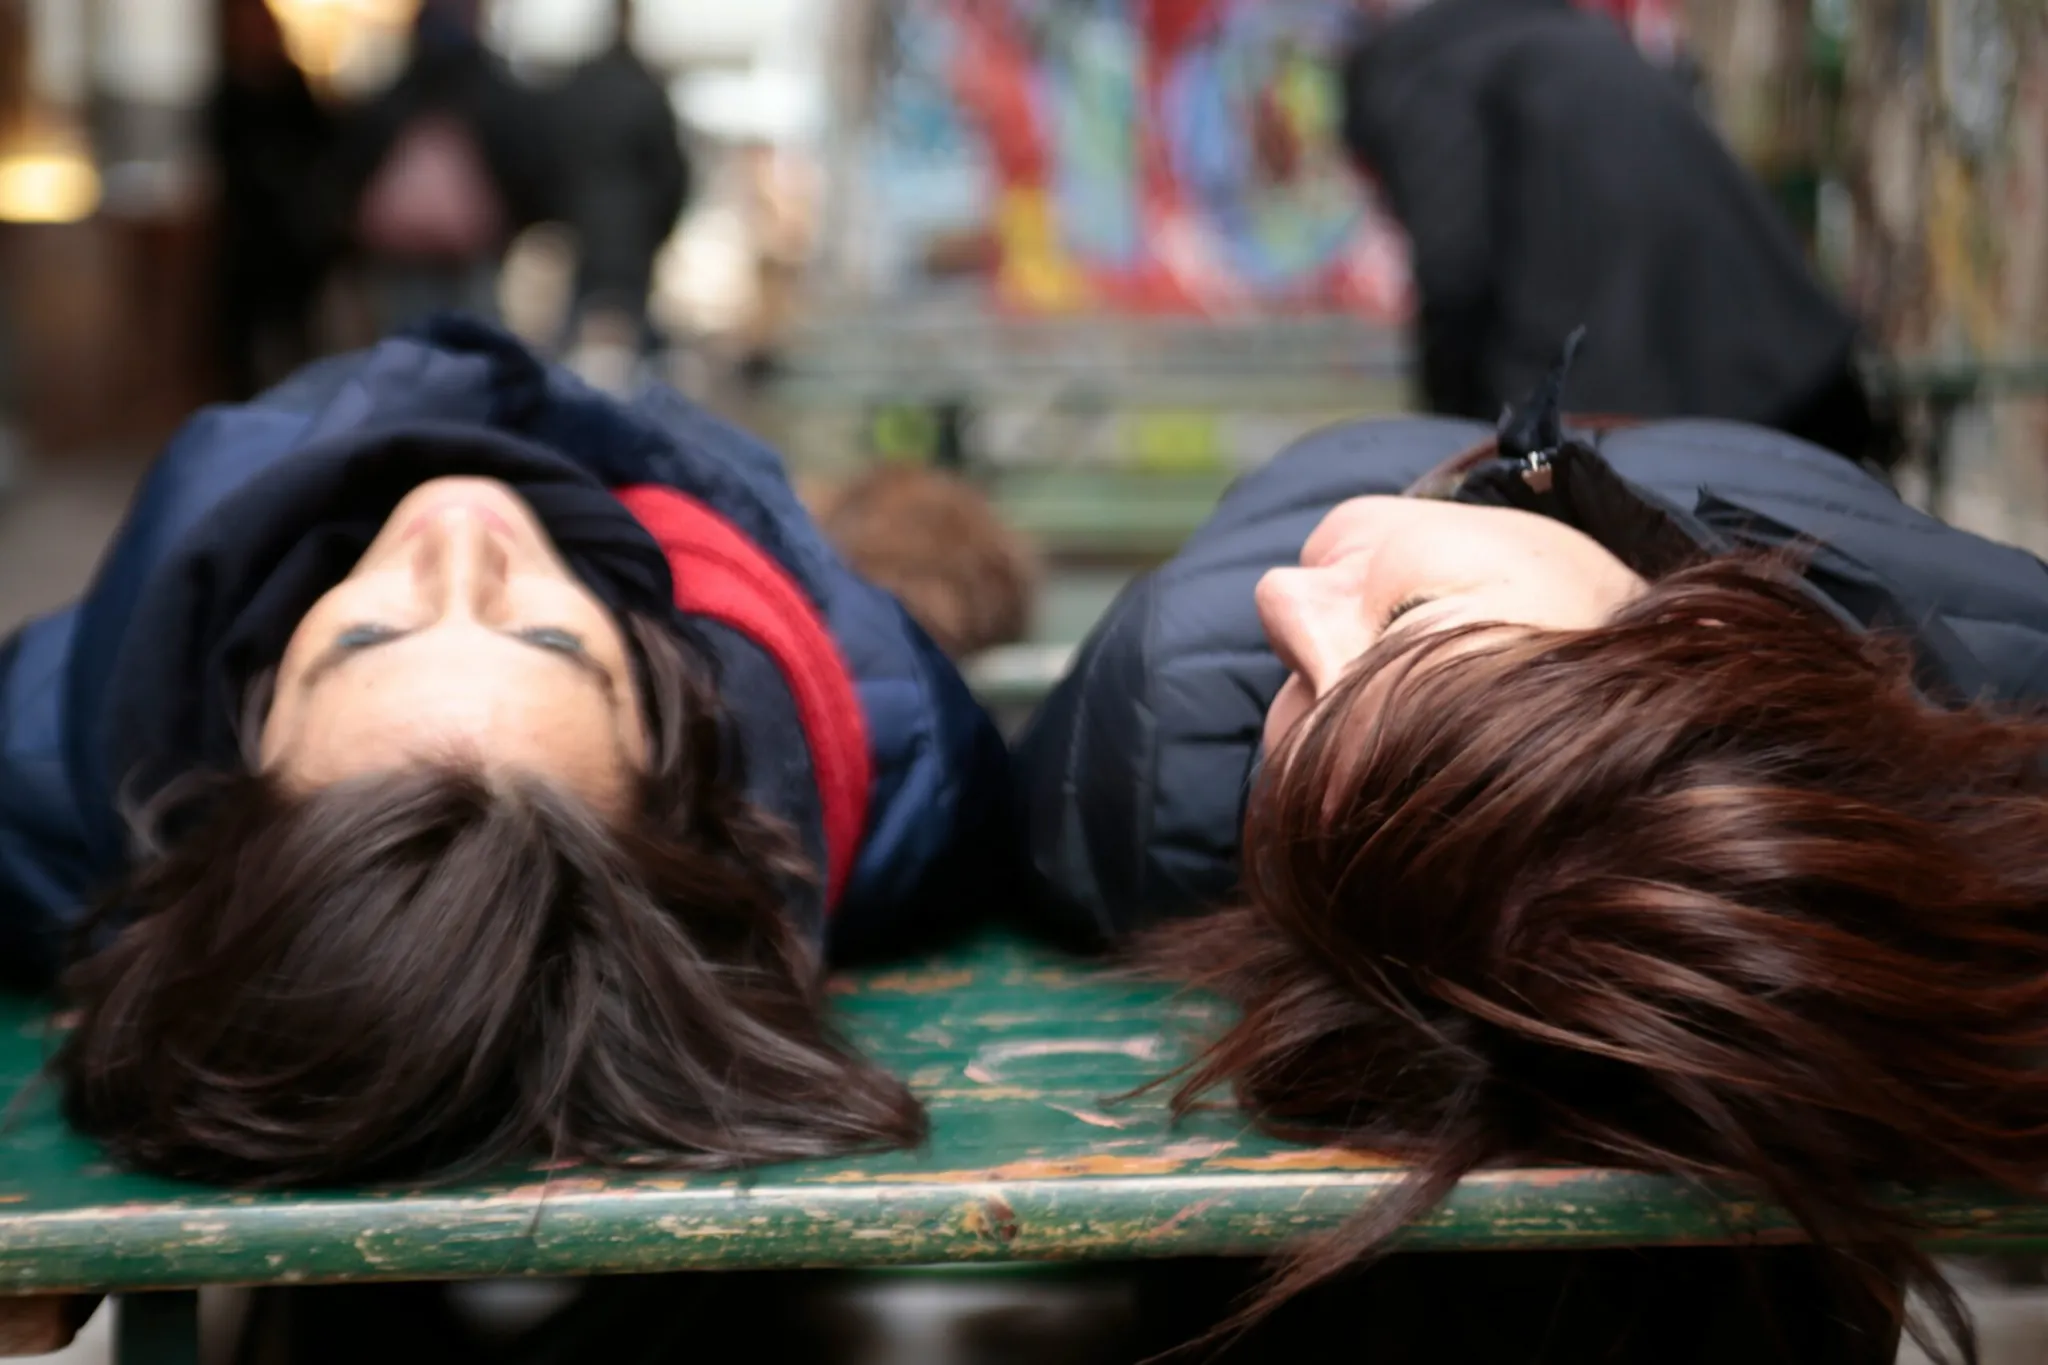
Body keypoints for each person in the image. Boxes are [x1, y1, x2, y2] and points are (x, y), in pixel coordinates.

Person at [1015, 353, 2048, 1363]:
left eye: (1405, 624)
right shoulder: (2008, 692)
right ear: (1687, 620)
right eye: (1407, 625)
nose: (1284, 599)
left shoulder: (1161, 745)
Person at [0, 316, 1011, 1186]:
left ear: (247, 745)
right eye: (549, 642)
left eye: (363, 640)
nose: (458, 543)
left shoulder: (45, 767)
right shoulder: (875, 742)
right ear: (667, 733)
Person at [1338, 0, 1895, 466]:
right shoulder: (1559, 39)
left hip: (1650, 421)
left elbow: (1455, 266)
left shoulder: (1414, 80)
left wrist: (1453, 446)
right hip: (1788, 362)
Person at [334, 0, 558, 335]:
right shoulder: (488, 90)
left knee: (412, 344)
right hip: (466, 250)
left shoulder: (406, 90)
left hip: (417, 254)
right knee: (471, 346)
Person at [550, 0, 692, 394]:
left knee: (584, 331)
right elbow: (672, 173)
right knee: (629, 341)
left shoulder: (581, 87)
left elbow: (552, 156)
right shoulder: (645, 88)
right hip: (632, 233)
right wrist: (658, 226)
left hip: (586, 230)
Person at [206, 0, 338, 399]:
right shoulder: (229, 88)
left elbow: (322, 147)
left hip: (294, 236)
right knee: (243, 343)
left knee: (297, 334)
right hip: (245, 236)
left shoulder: (292, 84)